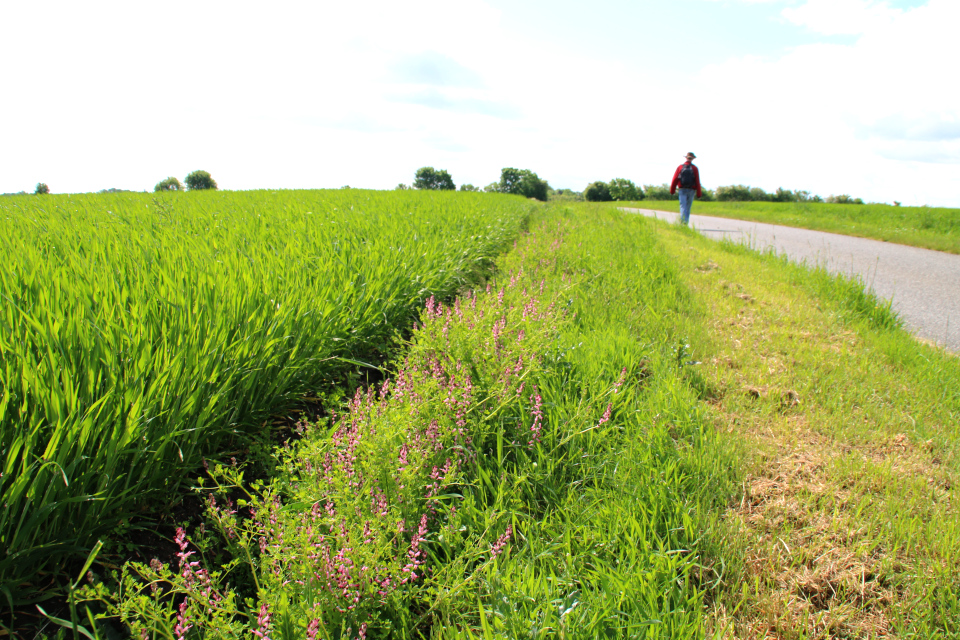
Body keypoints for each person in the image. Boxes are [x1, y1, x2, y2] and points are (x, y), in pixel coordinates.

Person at [670, 152, 702, 224]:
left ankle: (682, 222)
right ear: (693, 159)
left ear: (686, 158)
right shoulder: (695, 168)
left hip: (682, 189)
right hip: (691, 190)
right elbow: (697, 181)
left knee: (683, 206)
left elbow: (675, 179)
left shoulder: (680, 167)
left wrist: (672, 191)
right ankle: (685, 222)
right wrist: (699, 194)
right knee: (688, 207)